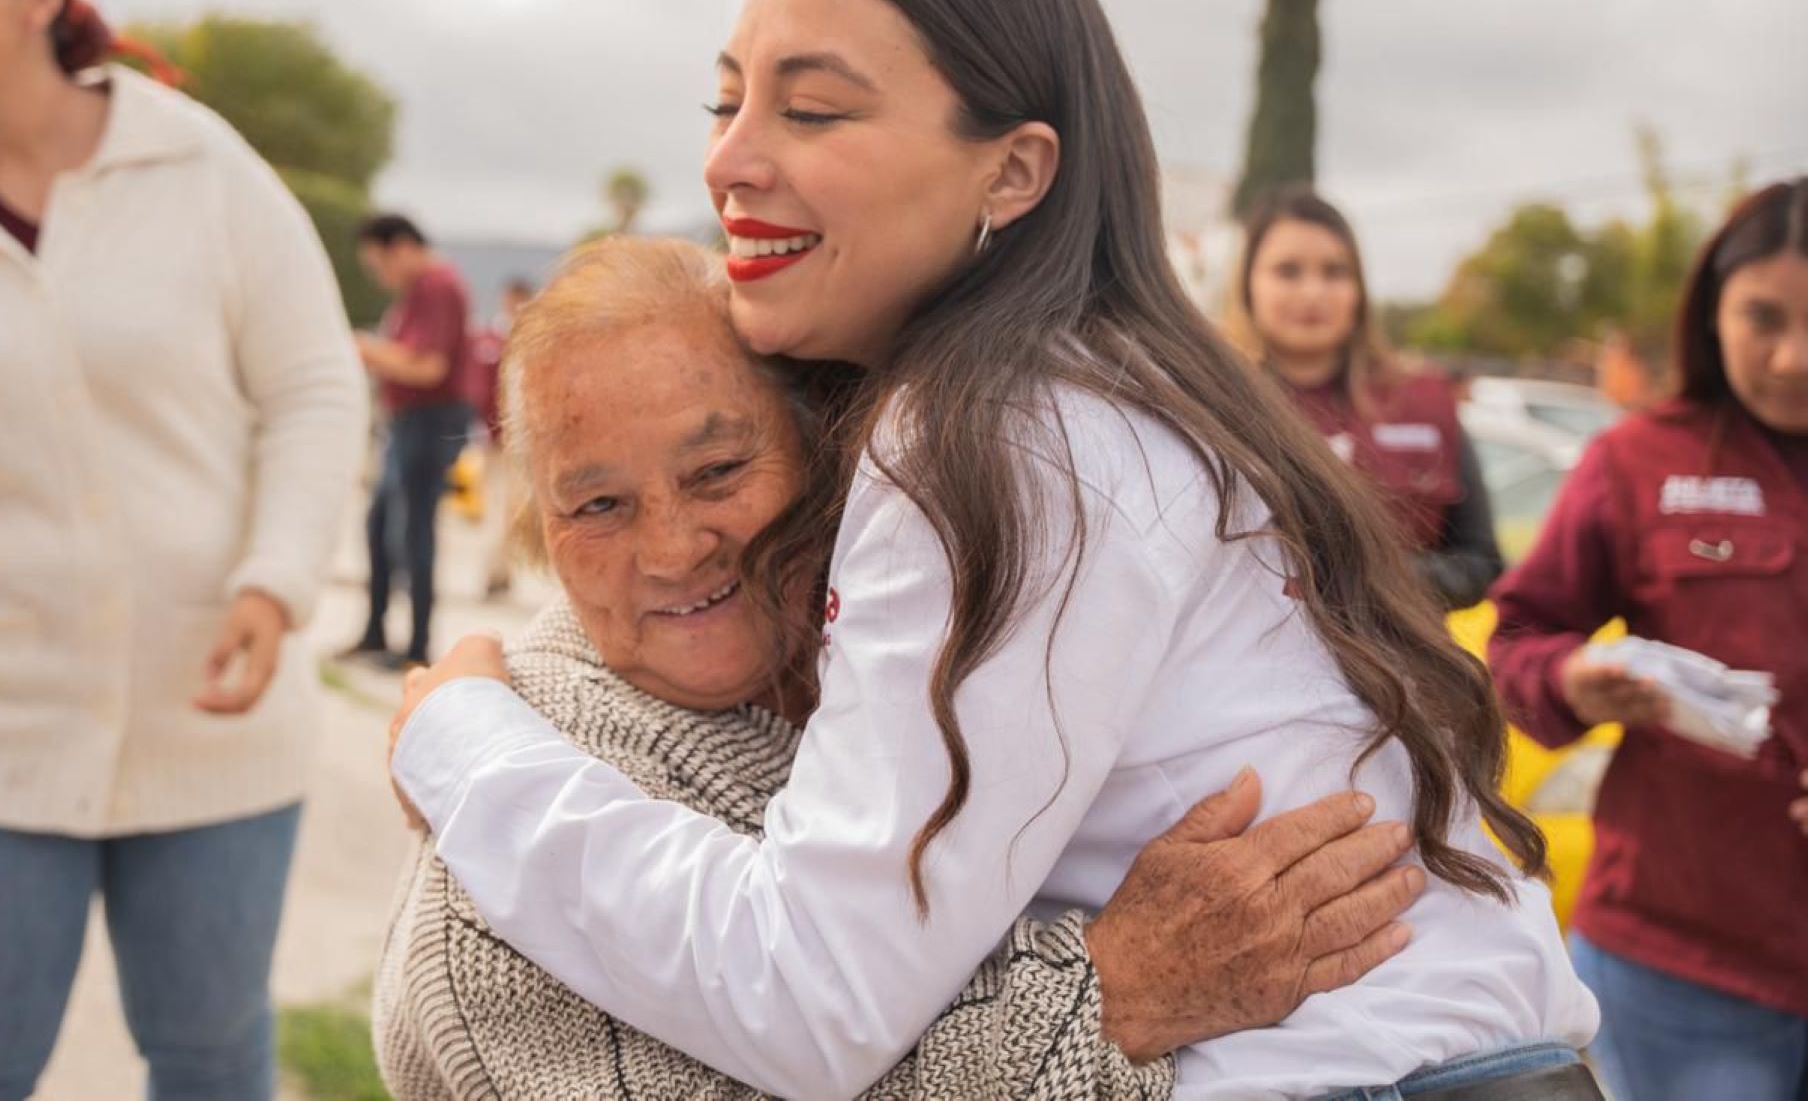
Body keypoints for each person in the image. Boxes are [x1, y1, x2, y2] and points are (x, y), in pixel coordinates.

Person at [389, 0, 1597, 1100]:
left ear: (1015, 169)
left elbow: (811, 996)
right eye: (727, 101)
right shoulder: (1106, 386)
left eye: (810, 109)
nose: (729, 158)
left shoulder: (998, 435)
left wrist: (465, 744)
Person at [373, 237, 1425, 1098]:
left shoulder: (919, 661)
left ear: (830, 457)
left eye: (718, 470)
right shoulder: (491, 889)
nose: (671, 545)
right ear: (537, 527)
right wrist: (1118, 992)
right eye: (597, 504)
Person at [0, 0, 366, 1099]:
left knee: (209, 1056)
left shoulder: (200, 166)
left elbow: (313, 386)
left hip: (211, 707)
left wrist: (275, 582)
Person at [1490, 178, 1808, 1101]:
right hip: (1685, 960)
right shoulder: (1636, 463)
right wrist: (1573, 678)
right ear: (1712, 312)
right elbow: (1517, 640)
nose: (1793, 357)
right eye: (1763, 318)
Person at [1229, 186, 1503, 610]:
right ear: (1248, 283)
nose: (1313, 293)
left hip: (1397, 669)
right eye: (1288, 271)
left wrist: (1372, 578)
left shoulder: (1425, 402)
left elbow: (1480, 563)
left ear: (1359, 288)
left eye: (1335, 272)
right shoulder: (1214, 405)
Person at [352, 213, 474, 669]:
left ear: (400, 246)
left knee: (413, 531)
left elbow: (428, 366)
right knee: (380, 525)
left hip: (429, 421)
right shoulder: (417, 293)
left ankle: (416, 646)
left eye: (377, 264)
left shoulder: (436, 286)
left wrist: (366, 349)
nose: (379, 276)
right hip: (407, 424)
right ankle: (376, 632)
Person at [467, 275, 535, 599]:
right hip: (494, 438)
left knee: (512, 509)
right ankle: (494, 571)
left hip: (521, 439)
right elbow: (479, 389)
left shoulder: (532, 340)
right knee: (496, 507)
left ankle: (503, 569)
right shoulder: (490, 339)